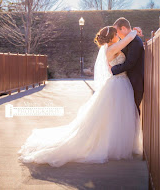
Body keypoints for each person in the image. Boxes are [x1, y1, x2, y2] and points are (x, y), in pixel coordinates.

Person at [17, 26, 143, 167]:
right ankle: (113, 146)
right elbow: (129, 39)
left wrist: (134, 32)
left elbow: (126, 42)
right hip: (118, 84)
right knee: (115, 116)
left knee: (116, 116)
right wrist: (134, 31)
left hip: (121, 83)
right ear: (112, 37)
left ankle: (117, 143)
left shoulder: (113, 46)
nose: (118, 36)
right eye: (116, 34)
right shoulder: (111, 49)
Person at [111, 17, 144, 115]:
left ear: (124, 29)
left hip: (135, 81)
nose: (117, 35)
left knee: (133, 111)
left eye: (117, 32)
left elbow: (130, 63)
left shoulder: (135, 41)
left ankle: (134, 130)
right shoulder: (130, 39)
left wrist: (113, 70)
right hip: (128, 81)